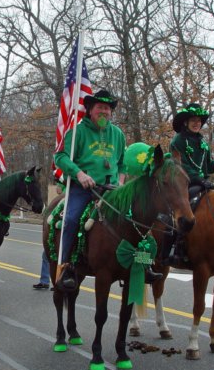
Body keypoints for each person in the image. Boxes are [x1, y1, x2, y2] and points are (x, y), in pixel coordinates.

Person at [54, 89, 146, 289]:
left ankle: (140, 263)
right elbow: (60, 157)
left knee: (138, 217)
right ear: (90, 110)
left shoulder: (118, 134)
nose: (104, 111)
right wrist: (79, 174)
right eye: (100, 108)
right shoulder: (78, 132)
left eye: (107, 108)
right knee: (70, 220)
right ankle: (66, 267)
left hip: (112, 189)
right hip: (83, 189)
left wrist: (121, 182)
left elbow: (122, 163)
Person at [162, 102, 214, 265]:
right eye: (193, 121)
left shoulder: (203, 144)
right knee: (185, 206)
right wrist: (198, 178)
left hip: (203, 182)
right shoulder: (178, 141)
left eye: (199, 121)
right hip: (183, 183)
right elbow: (180, 165)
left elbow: (209, 166)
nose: (197, 123)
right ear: (186, 122)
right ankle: (175, 249)